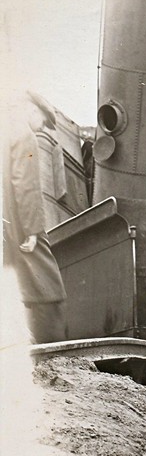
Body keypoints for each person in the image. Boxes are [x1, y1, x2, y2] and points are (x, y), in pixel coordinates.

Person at [3, 92, 68, 343]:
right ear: (32, 110)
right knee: (48, 286)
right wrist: (32, 231)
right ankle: (53, 352)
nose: (41, 128)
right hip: (16, 223)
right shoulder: (24, 135)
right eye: (42, 121)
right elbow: (26, 184)